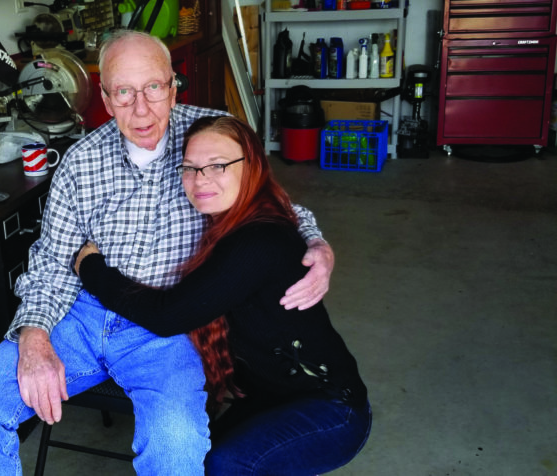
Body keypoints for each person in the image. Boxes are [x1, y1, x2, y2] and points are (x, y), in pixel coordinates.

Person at [0, 30, 335, 476]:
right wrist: (34, 336)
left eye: (153, 87)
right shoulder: (81, 160)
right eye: (124, 93)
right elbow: (53, 259)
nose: (142, 108)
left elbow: (272, 205)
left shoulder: (212, 137)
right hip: (82, 315)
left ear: (173, 85)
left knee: (176, 440)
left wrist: (316, 243)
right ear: (106, 100)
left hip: (169, 324)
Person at [73, 115, 370, 476]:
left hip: (333, 410)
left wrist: (90, 267)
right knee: (196, 458)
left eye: (218, 165)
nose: (201, 180)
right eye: (191, 168)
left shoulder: (257, 240)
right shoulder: (228, 218)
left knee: (227, 465)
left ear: (252, 166)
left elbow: (167, 316)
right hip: (270, 398)